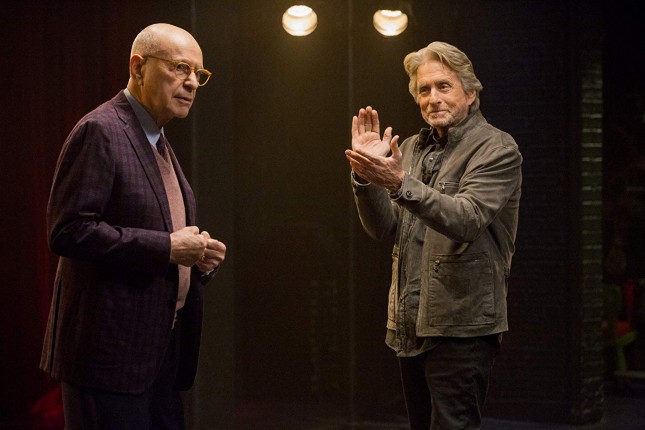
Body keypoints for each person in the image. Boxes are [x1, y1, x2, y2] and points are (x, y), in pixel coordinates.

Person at [40, 23, 226, 429]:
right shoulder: (101, 131)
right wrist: (168, 248)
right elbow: (68, 230)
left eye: (199, 73)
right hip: (107, 359)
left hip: (157, 356)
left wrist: (195, 260)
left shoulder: (158, 140)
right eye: (179, 68)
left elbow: (155, 230)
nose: (192, 83)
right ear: (138, 67)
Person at [345, 41, 522, 429]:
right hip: (410, 324)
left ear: (470, 93)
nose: (433, 98)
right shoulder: (410, 148)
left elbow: (467, 219)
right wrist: (367, 175)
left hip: (462, 328)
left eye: (444, 86)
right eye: (424, 90)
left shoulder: (496, 148)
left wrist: (398, 183)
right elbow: (382, 227)